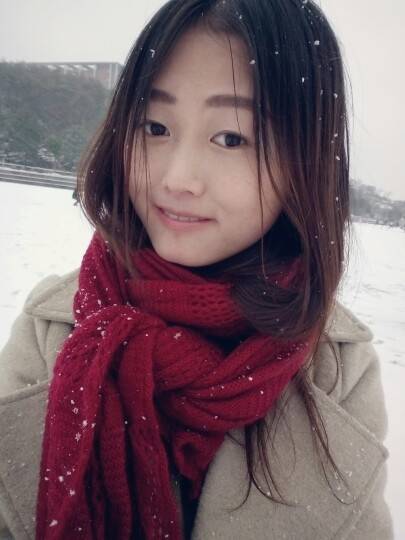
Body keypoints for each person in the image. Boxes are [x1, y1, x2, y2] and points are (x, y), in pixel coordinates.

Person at [0, 0, 393, 539]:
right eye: (155, 126)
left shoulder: (337, 369)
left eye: (231, 138)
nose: (177, 178)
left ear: (304, 162)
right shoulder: (54, 326)